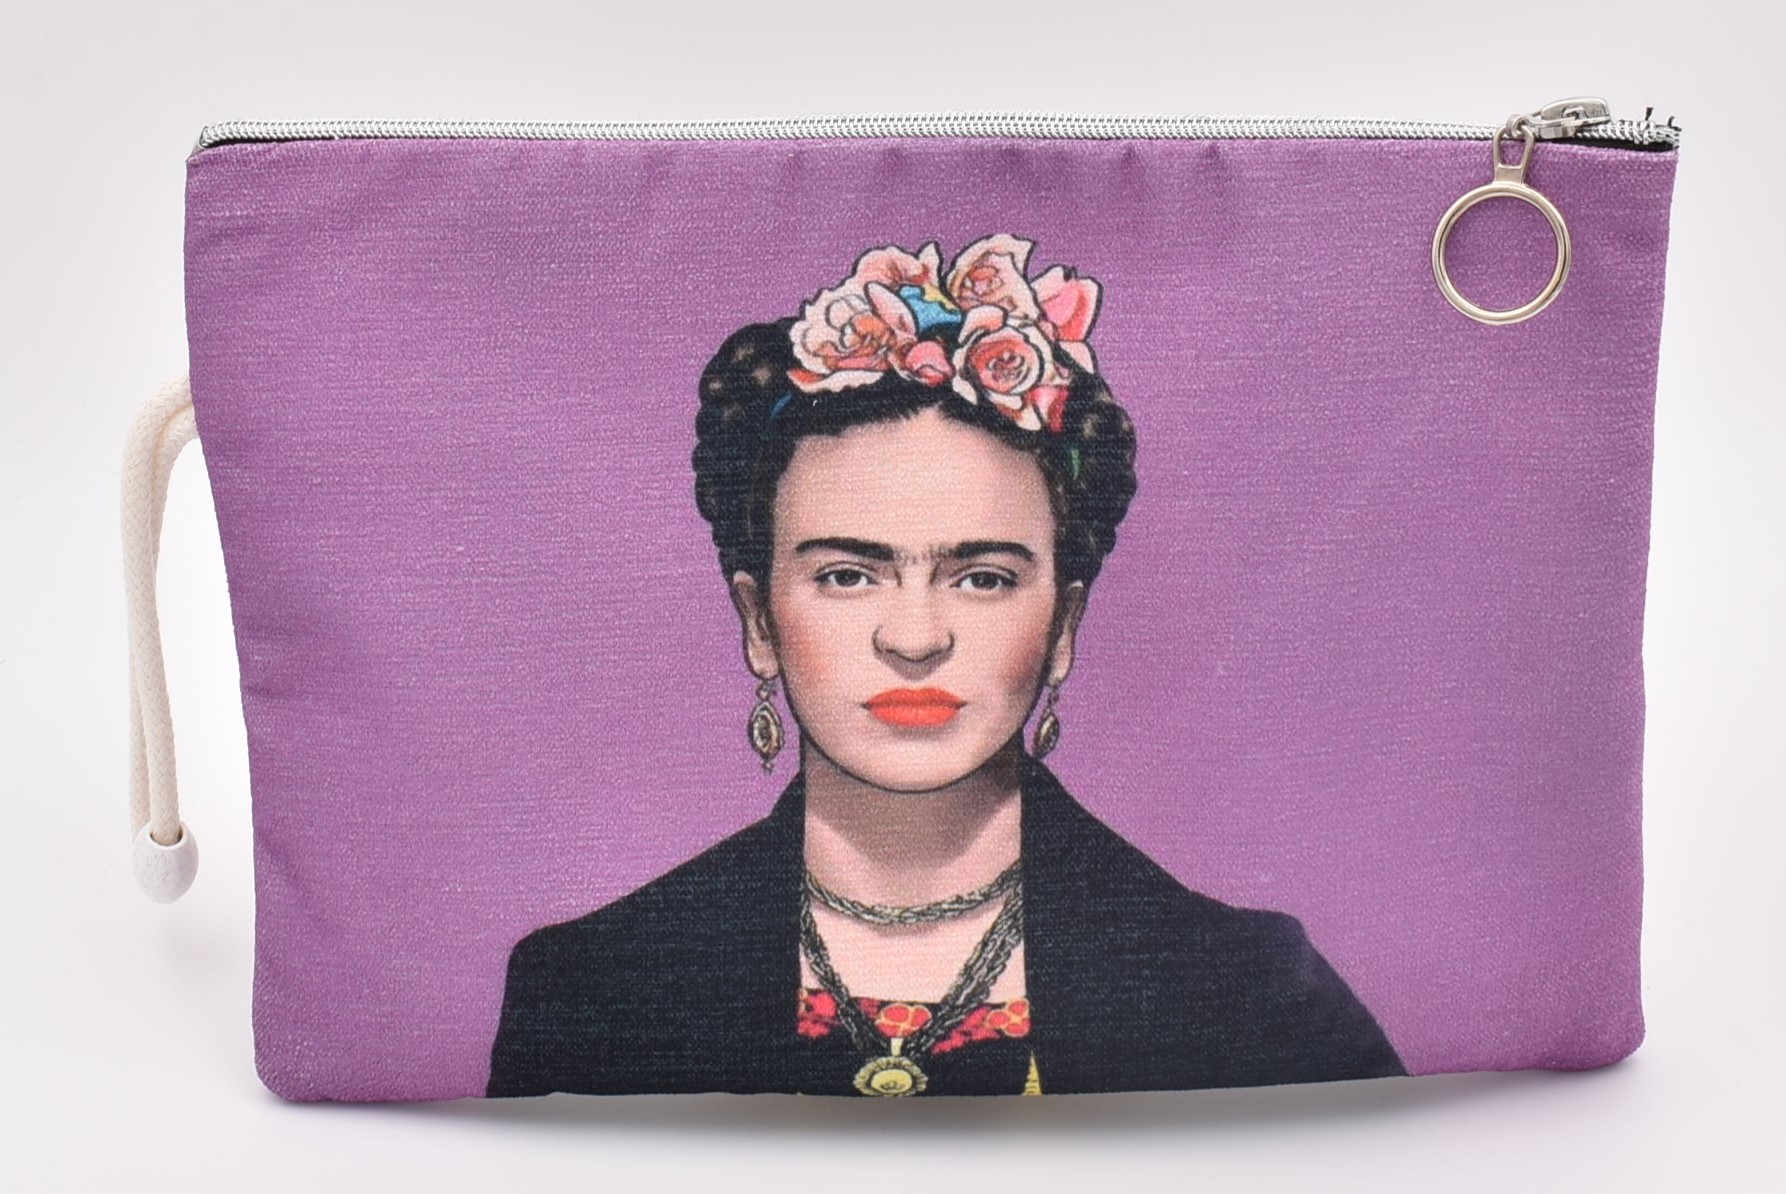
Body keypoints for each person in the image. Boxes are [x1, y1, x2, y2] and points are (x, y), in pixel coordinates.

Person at [487, 235, 1404, 1097]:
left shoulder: (1250, 993)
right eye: (848, 575)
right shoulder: (591, 987)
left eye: (982, 578)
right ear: (758, 620)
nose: (916, 638)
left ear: (1064, 624)